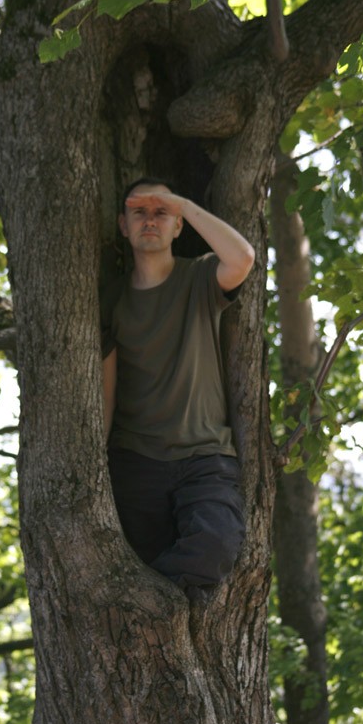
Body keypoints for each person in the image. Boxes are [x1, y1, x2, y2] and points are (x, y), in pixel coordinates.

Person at [100, 177, 255, 592]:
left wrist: (182, 202)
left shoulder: (201, 277)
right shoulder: (111, 298)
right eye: (140, 212)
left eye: (161, 212)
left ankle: (165, 616)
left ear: (179, 225)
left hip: (205, 456)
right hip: (136, 460)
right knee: (139, 567)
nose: (150, 220)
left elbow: (242, 258)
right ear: (123, 224)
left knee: (216, 545)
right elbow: (107, 390)